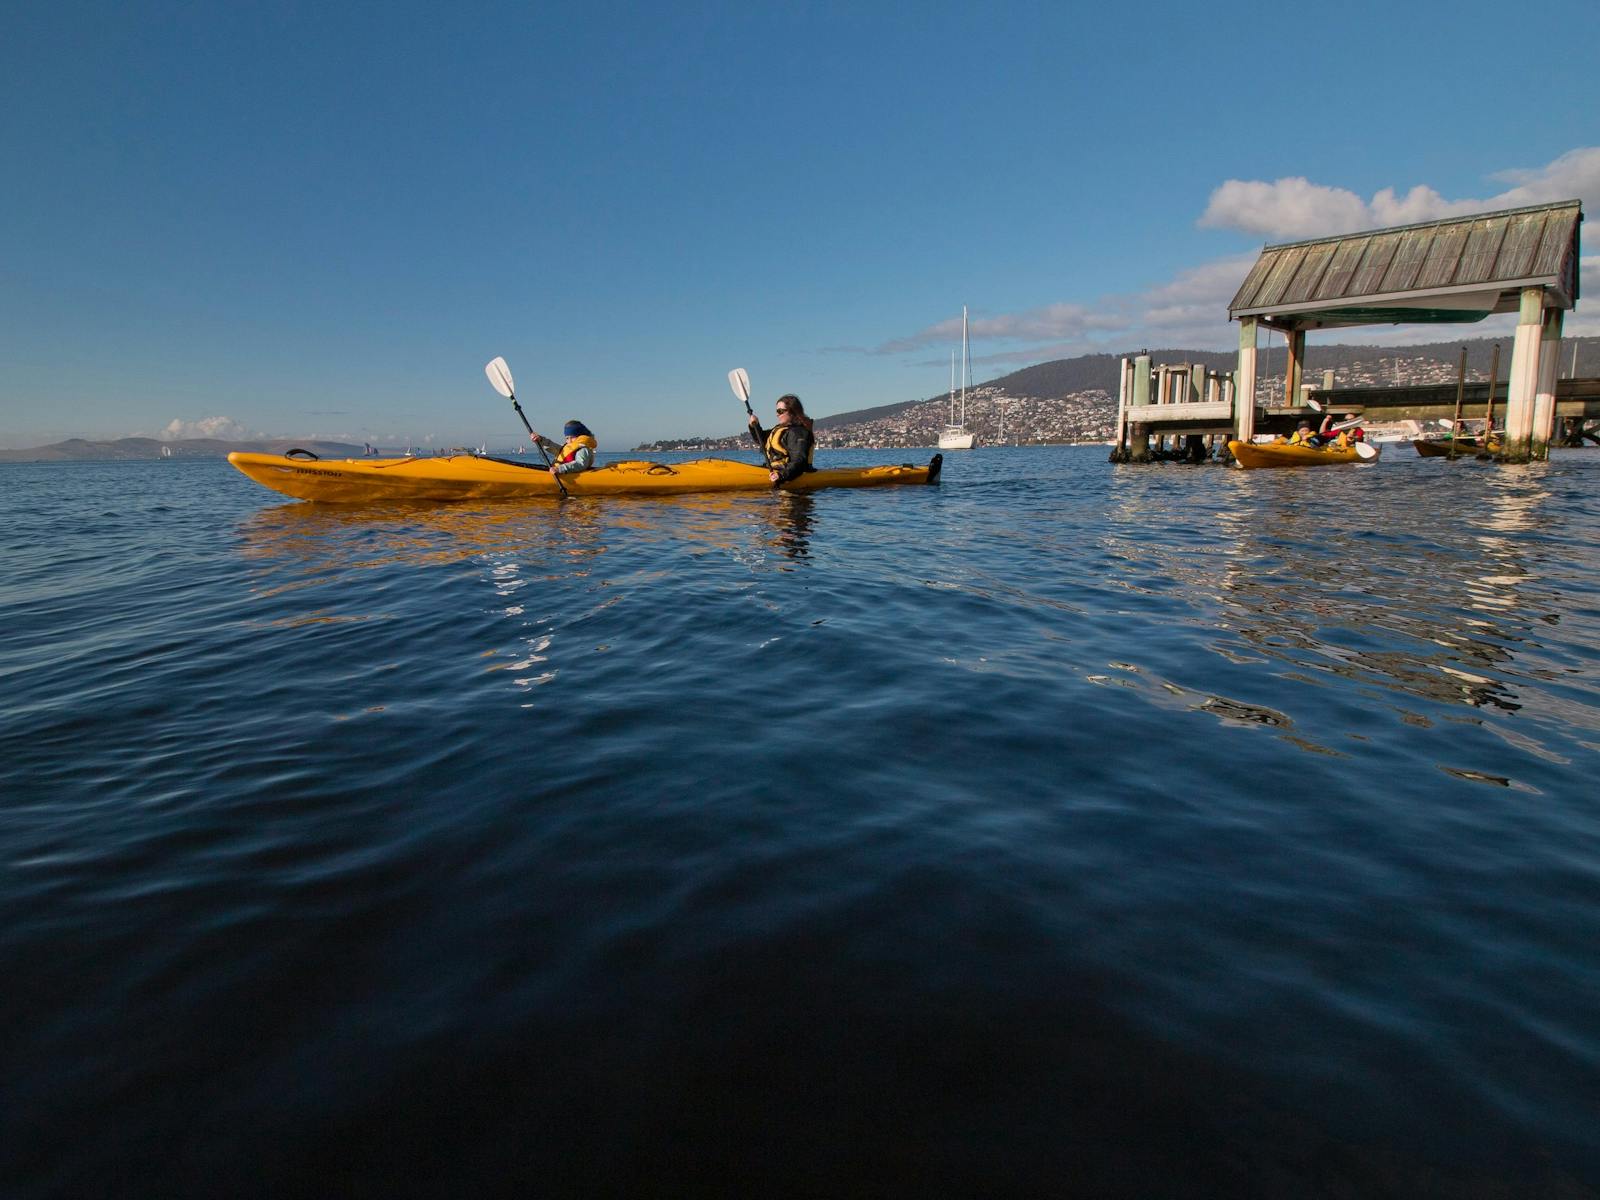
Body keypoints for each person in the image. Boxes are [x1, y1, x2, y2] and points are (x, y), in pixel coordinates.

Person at [747, 394, 815, 485]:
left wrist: (781, 475)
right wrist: (754, 426)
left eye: (780, 411)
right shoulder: (780, 429)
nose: (777, 414)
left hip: (788, 474)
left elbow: (799, 461)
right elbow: (762, 439)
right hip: (776, 470)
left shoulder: (798, 433)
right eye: (776, 411)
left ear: (792, 412)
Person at [528, 420, 598, 478]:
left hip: (569, 474)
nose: (569, 441)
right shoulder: (568, 447)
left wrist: (560, 469)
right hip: (557, 471)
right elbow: (553, 447)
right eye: (567, 438)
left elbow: (580, 464)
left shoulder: (583, 448)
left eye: (573, 437)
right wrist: (540, 440)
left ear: (581, 436)